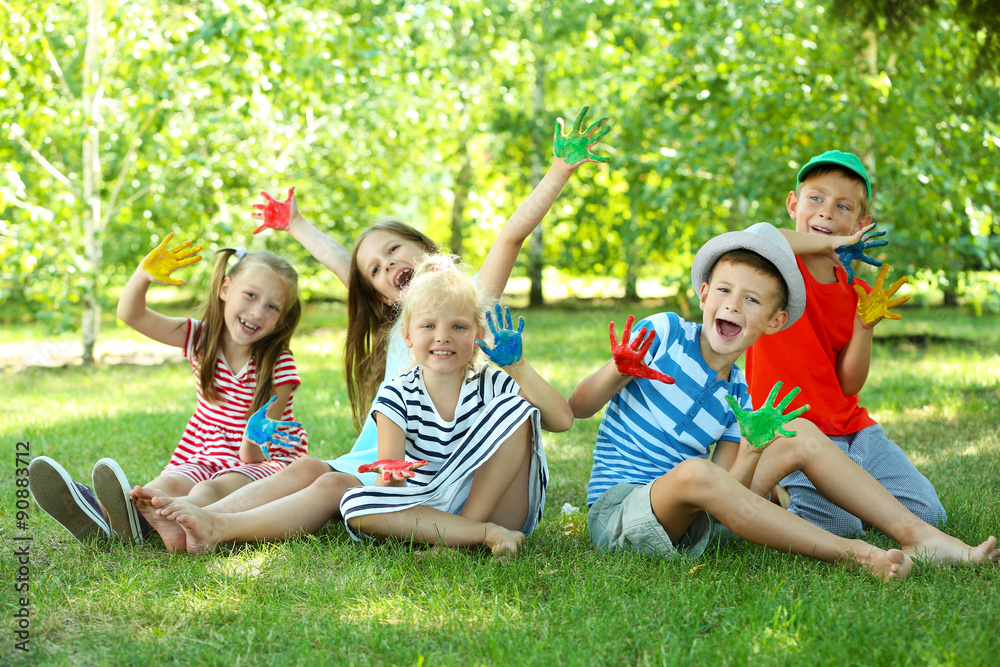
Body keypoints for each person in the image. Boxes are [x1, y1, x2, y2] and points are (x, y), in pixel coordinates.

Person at [130, 105, 612, 552]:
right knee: (310, 470)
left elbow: (511, 234)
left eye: (394, 251)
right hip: (396, 465)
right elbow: (345, 262)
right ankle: (198, 515)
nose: (386, 267)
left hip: (461, 472)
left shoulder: (471, 304)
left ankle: (215, 525)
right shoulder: (400, 325)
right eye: (376, 271)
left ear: (422, 246)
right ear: (386, 300)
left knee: (328, 484)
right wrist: (295, 225)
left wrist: (559, 171)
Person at [571, 222, 997, 579]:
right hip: (621, 513)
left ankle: (920, 536)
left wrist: (754, 451)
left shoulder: (739, 393)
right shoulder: (662, 332)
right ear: (703, 295)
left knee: (799, 431)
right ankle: (854, 553)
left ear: (774, 322)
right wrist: (618, 370)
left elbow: (727, 493)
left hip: (691, 517)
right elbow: (579, 407)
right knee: (693, 473)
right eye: (724, 291)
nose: (733, 305)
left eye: (751, 300)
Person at [28, 238, 307, 544]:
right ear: (225, 289)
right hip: (207, 448)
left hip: (258, 460)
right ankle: (101, 516)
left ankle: (145, 521)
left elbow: (255, 451)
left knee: (207, 491)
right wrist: (143, 276)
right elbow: (132, 315)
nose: (256, 312)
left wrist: (251, 441)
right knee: (164, 484)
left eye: (272, 307)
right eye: (250, 295)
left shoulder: (278, 362)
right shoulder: (200, 337)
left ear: (281, 319)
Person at [744, 150, 947, 536]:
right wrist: (826, 246)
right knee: (842, 526)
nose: (825, 212)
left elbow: (849, 384)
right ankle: (779, 490)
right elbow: (754, 237)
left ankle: (845, 490)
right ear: (793, 204)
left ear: (861, 222)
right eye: (815, 199)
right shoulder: (775, 272)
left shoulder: (858, 293)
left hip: (852, 430)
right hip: (792, 432)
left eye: (842, 206)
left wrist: (864, 326)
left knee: (929, 514)